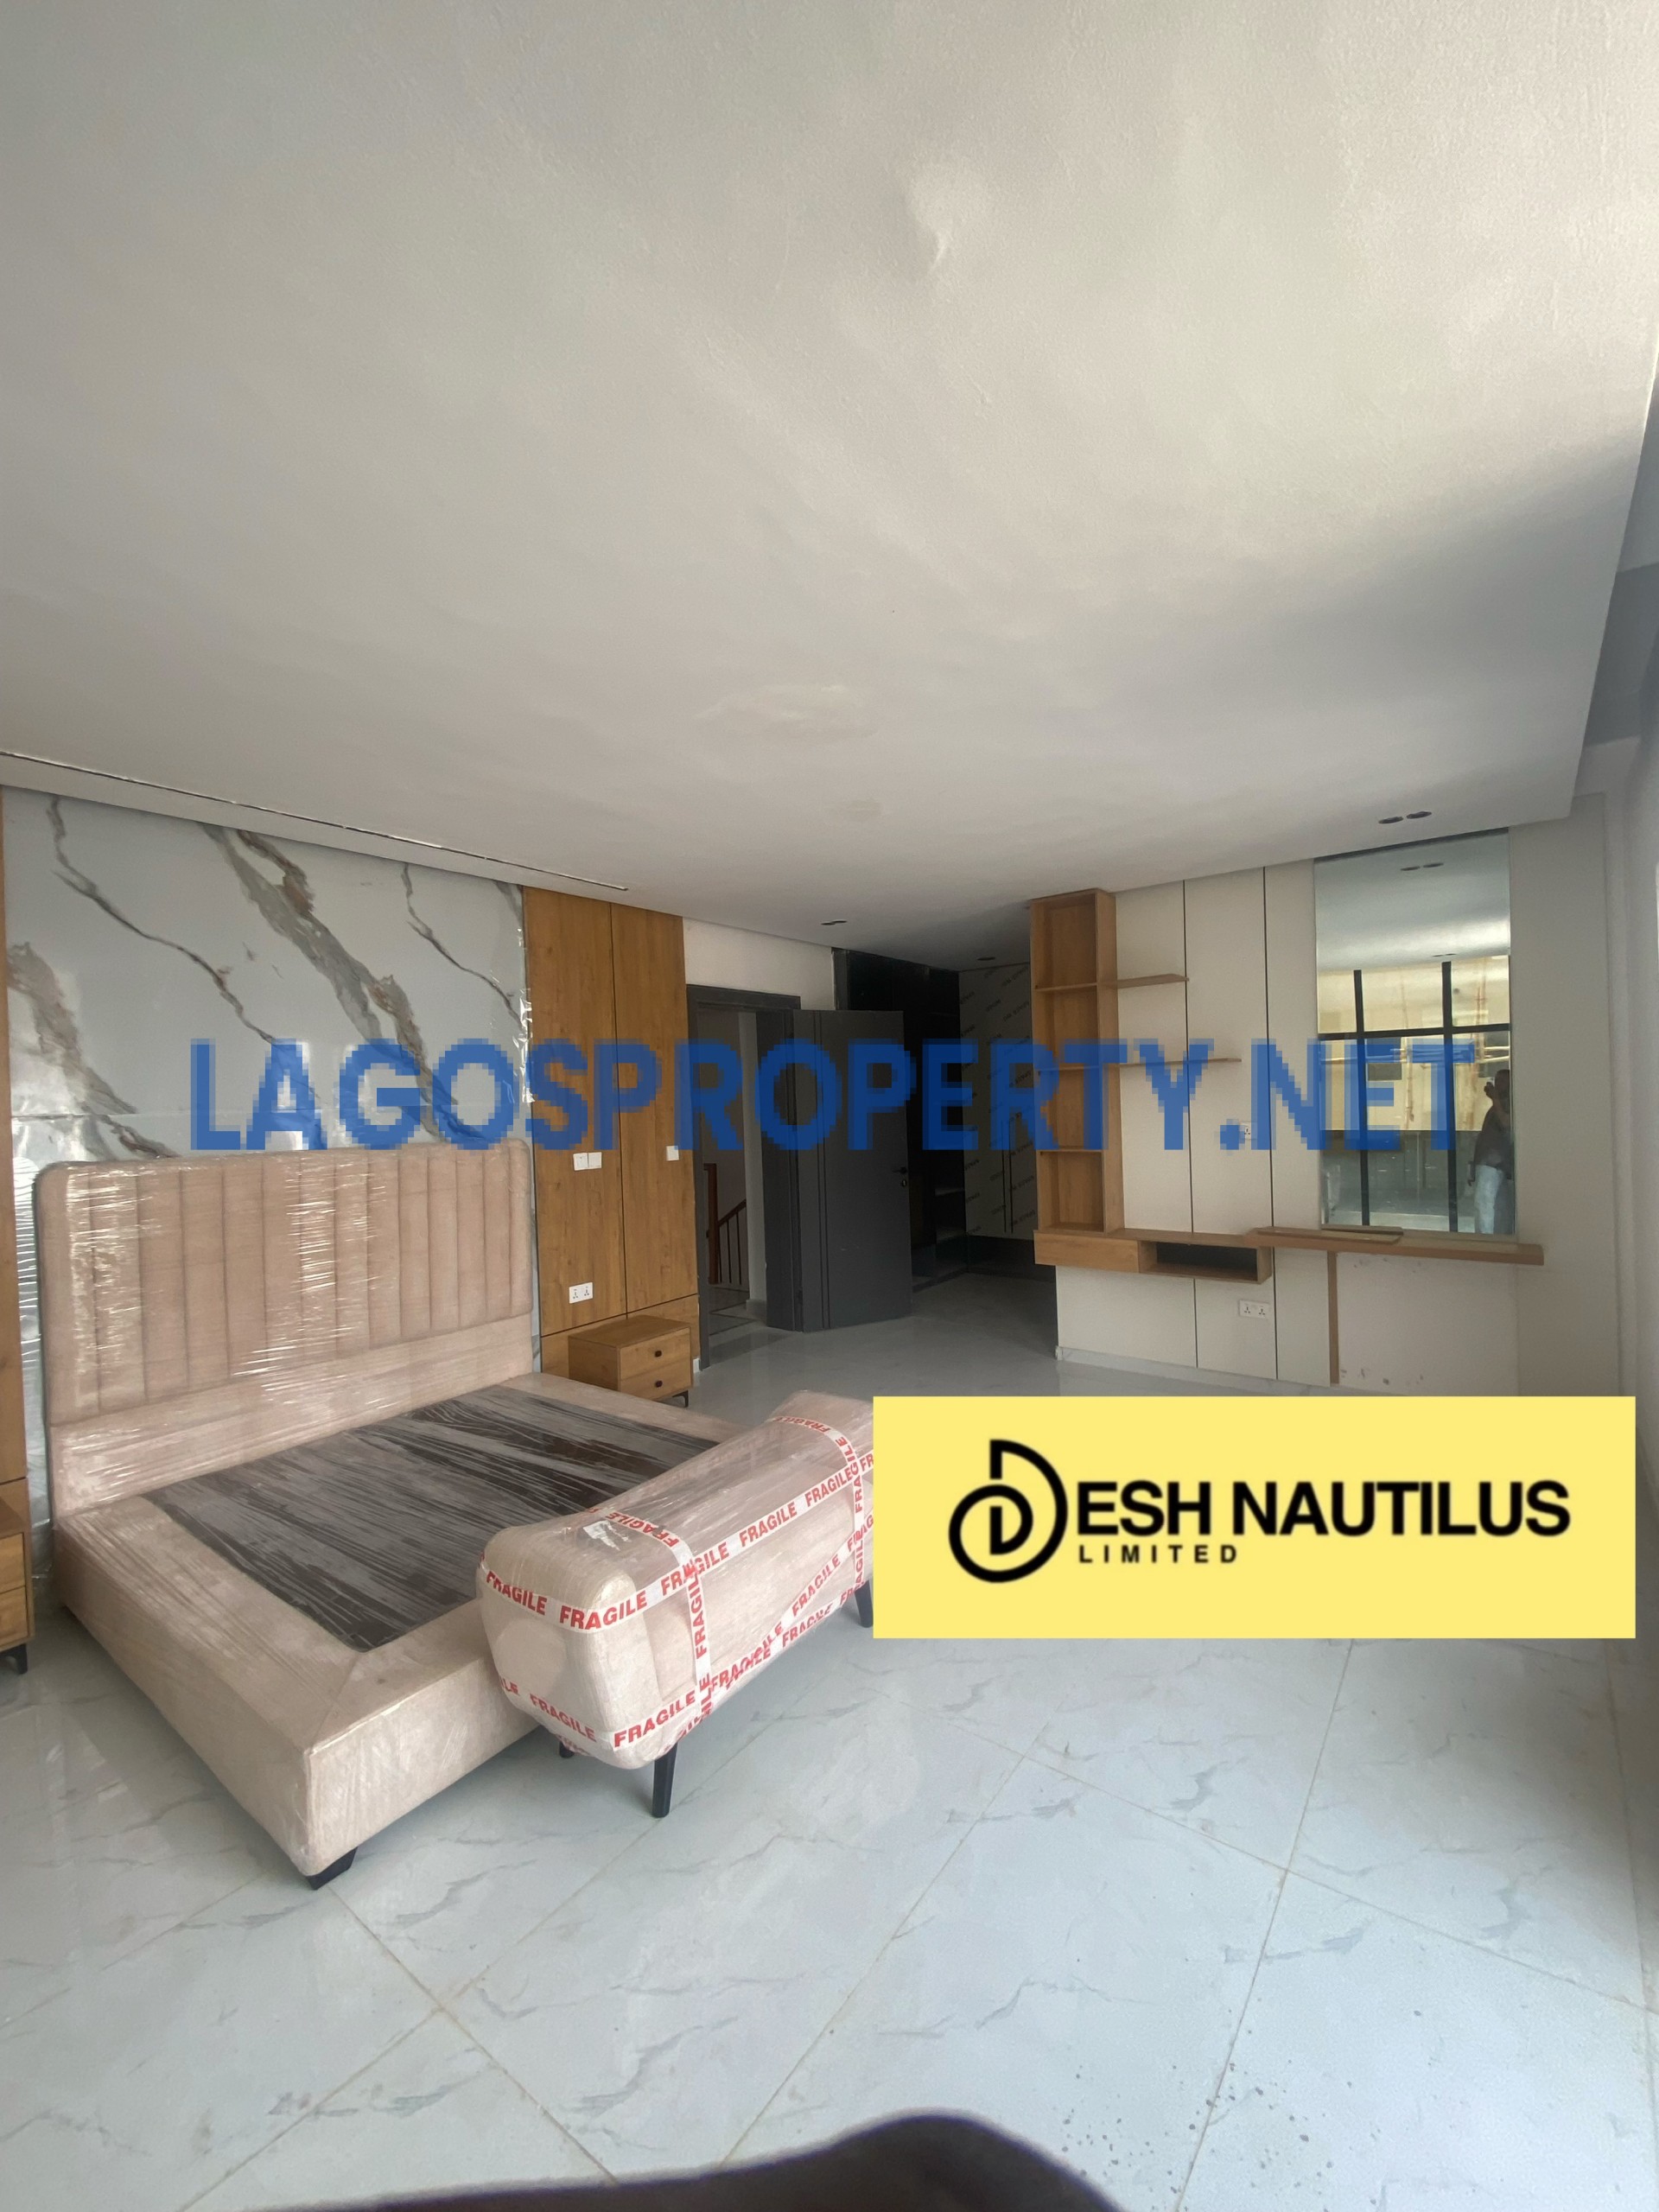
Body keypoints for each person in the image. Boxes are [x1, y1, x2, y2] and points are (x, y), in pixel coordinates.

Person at [1469, 1066, 1514, 1235]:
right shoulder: (1495, 1107)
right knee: (1493, 1205)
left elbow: (1506, 1123)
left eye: (1502, 1081)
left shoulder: (1509, 1105)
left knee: (1485, 1204)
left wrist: (1495, 1099)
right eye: (1496, 1080)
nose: (1498, 1084)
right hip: (1489, 1161)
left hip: (1495, 1162)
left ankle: (1486, 1239)